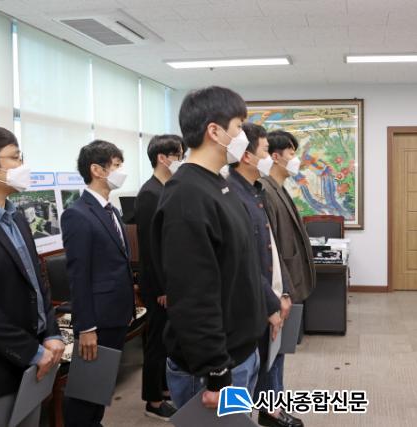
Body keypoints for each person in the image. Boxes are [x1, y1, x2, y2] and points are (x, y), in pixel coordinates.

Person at [151, 86, 266, 410]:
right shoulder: (186, 195)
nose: (243, 136)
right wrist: (216, 372)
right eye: (238, 127)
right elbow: (193, 295)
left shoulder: (218, 183)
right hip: (213, 368)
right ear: (214, 131)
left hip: (240, 352)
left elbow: (237, 264)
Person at [0, 125, 64, 418]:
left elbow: (37, 281)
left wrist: (51, 334)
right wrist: (32, 351)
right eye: (15, 157)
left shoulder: (16, 217)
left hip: (34, 361)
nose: (23, 166)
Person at [226, 123, 303, 427]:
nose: (270, 157)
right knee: (243, 377)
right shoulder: (232, 195)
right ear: (246, 156)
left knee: (268, 360)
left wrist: (282, 293)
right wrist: (270, 303)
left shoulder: (255, 190)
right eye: (265, 151)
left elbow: (270, 248)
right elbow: (241, 261)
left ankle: (270, 410)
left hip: (269, 295)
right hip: (251, 302)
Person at [61, 140, 135, 427]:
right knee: (86, 390)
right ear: (97, 170)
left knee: (101, 385)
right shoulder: (78, 214)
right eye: (116, 165)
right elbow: (79, 276)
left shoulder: (111, 210)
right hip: (97, 319)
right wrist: (86, 327)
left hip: (117, 314)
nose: (120, 171)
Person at [135, 134, 184, 420]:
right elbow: (151, 248)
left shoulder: (167, 188)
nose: (182, 160)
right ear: (162, 158)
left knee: (168, 340)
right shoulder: (149, 193)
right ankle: (153, 401)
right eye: (178, 155)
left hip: (170, 280)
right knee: (156, 343)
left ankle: (165, 390)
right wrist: (163, 288)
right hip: (158, 285)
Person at [260, 130, 316, 306]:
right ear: (276, 157)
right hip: (282, 287)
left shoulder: (280, 188)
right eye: (291, 154)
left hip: (293, 279)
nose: (296, 160)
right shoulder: (266, 191)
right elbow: (270, 247)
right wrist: (283, 290)